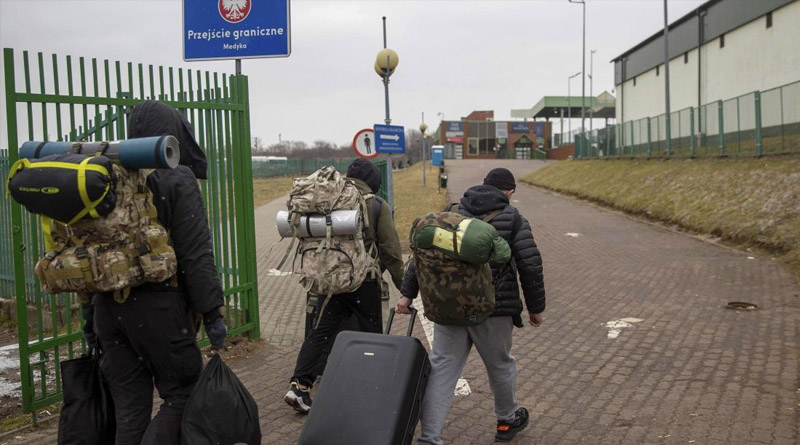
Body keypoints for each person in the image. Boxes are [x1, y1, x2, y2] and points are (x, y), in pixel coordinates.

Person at [81, 100, 228, 444]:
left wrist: (90, 320)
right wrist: (212, 312)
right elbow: (195, 252)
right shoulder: (177, 176)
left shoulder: (104, 177)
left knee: (130, 412)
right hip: (159, 311)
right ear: (174, 133)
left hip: (108, 310)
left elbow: (91, 252)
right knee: (182, 393)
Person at [397, 167, 546, 444]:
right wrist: (535, 308)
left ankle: (429, 437)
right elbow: (530, 264)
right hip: (493, 308)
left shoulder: (451, 211)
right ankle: (506, 421)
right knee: (500, 365)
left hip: (448, 307)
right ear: (509, 192)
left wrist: (407, 294)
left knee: (441, 369)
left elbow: (422, 253)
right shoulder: (513, 218)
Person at [284, 158, 405, 414]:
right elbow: (392, 250)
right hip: (363, 282)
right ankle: (374, 389)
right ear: (374, 182)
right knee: (372, 335)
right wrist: (403, 285)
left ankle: (299, 385)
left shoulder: (331, 200)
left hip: (331, 281)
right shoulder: (375, 204)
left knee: (321, 331)